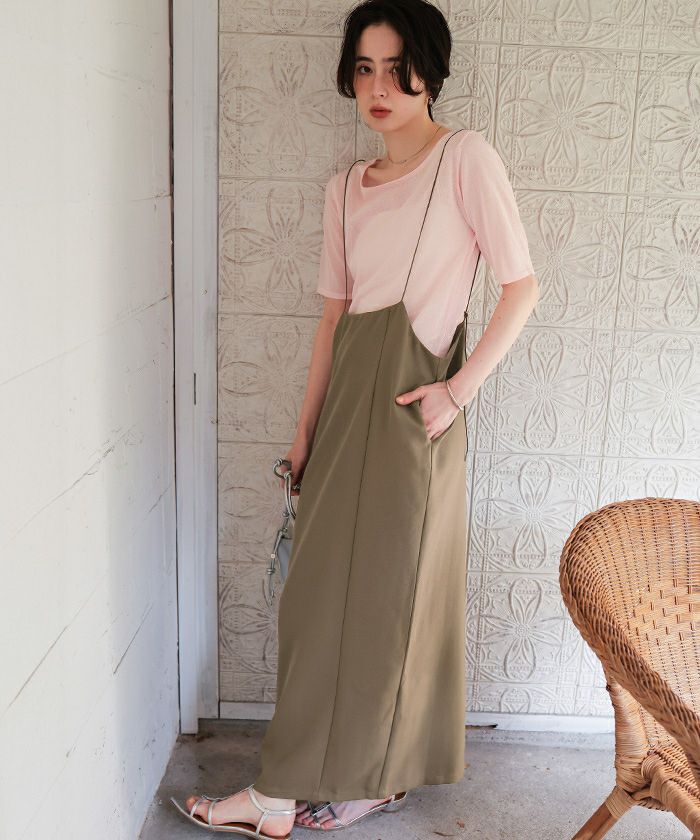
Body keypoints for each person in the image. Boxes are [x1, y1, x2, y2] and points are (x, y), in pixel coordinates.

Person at [171, 0, 538, 836]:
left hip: (415, 414)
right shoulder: (343, 189)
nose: (378, 88)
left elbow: (522, 289)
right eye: (364, 69)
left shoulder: (465, 159)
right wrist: (304, 433)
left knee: (390, 604)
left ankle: (335, 788)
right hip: (344, 414)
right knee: (313, 602)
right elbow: (332, 321)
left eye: (396, 69)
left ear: (428, 72)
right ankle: (296, 786)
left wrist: (457, 391)